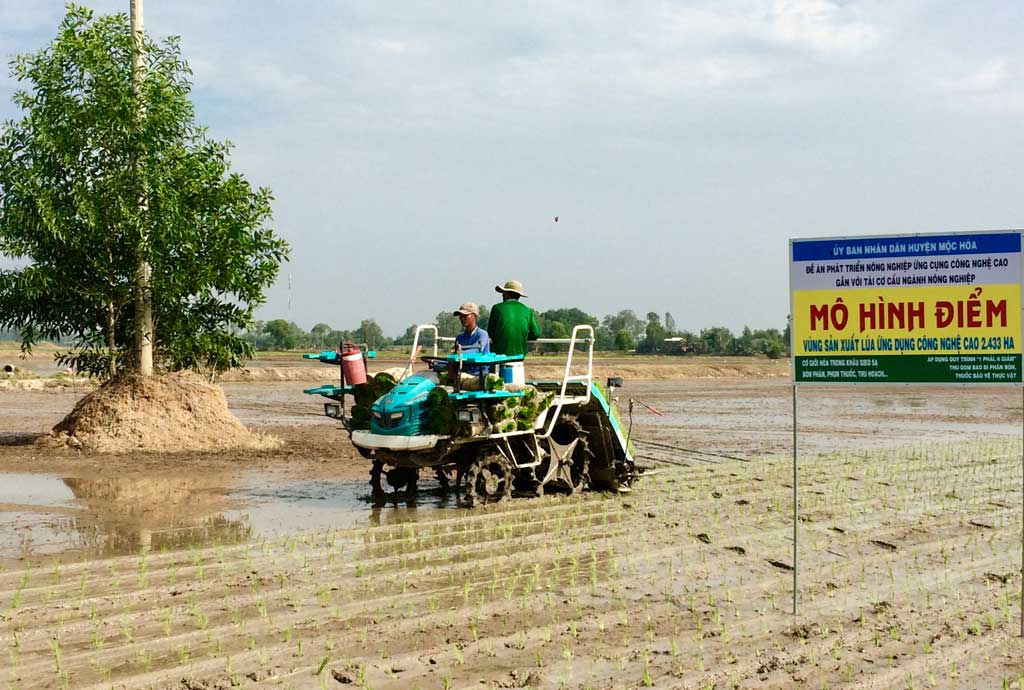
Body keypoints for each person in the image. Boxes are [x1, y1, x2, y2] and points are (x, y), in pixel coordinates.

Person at [488, 279, 540, 357]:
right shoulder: (527, 310)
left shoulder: (496, 308)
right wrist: (523, 336)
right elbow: (536, 334)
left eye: (503, 292)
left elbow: (490, 332)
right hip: (520, 356)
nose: (502, 295)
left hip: (499, 357)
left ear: (507, 293)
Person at [452, 302, 489, 374]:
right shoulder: (460, 337)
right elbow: (454, 356)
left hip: (479, 374)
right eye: (460, 316)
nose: (462, 319)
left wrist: (458, 353)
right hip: (463, 373)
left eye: (465, 316)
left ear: (474, 316)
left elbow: (476, 351)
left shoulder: (482, 334)